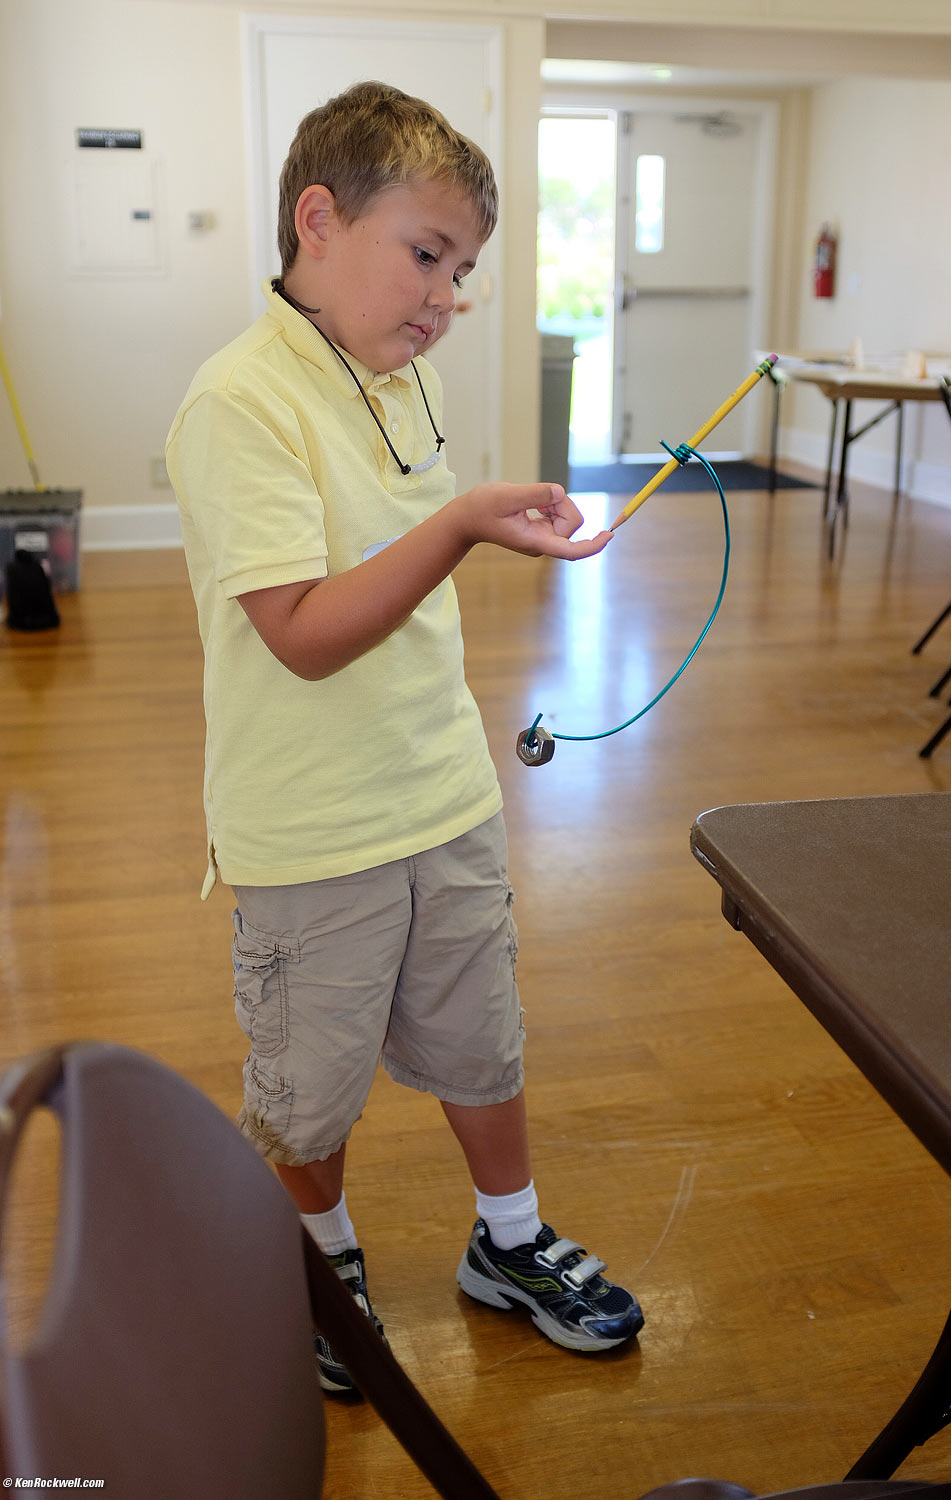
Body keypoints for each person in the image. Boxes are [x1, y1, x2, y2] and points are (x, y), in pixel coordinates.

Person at [166, 79, 644, 1392]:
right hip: (314, 832)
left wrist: (485, 527)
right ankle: (318, 1260)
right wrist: (460, 525)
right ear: (317, 220)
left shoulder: (398, 378)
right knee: (310, 1092)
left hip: (441, 793)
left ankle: (509, 1240)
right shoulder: (239, 401)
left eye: (466, 269)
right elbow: (307, 632)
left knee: (483, 1038)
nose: (448, 294)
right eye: (426, 254)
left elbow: (402, 580)